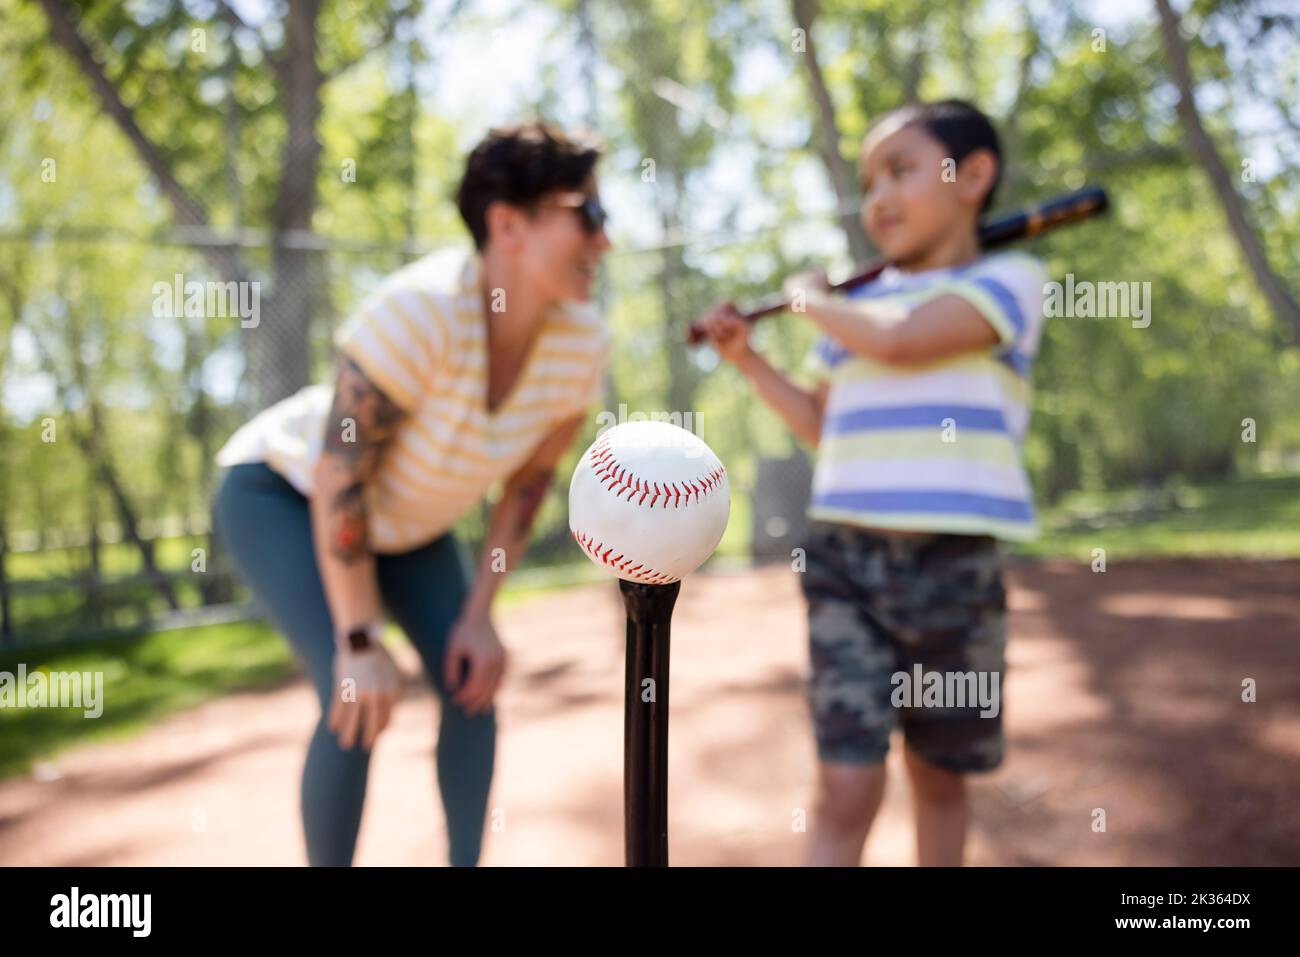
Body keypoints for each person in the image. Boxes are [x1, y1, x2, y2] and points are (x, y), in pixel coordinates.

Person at [211, 121, 612, 866]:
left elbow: (527, 486)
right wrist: (360, 640)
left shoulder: (582, 342)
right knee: (356, 694)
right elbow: (340, 475)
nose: (605, 239)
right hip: (282, 494)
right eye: (587, 213)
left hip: (409, 525)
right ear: (507, 224)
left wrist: (480, 618)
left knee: (472, 685)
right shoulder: (417, 312)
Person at [694, 100, 1048, 866]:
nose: (879, 197)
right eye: (868, 183)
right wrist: (750, 360)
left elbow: (902, 342)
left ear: (973, 176)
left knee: (940, 775)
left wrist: (811, 301)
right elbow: (821, 423)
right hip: (846, 566)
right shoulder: (854, 308)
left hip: (955, 569)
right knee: (846, 785)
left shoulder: (1009, 280)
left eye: (901, 170)